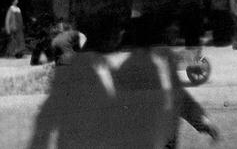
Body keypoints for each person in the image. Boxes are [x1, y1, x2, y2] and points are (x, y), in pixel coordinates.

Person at [26, 10, 218, 148]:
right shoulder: (113, 70)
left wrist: (201, 120)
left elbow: (176, 97)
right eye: (115, 31)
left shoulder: (114, 68)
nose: (120, 36)